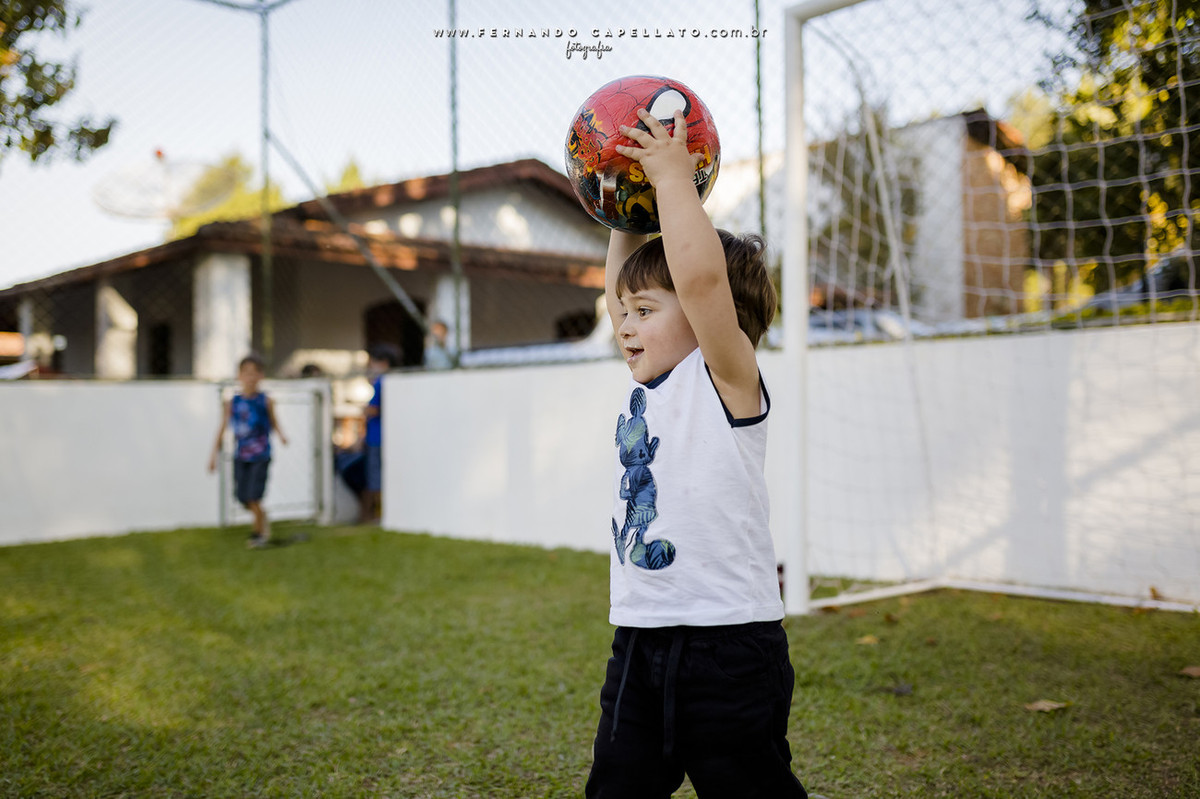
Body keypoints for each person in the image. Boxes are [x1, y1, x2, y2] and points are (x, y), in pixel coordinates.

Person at [584, 107, 808, 797]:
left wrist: (674, 179)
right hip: (640, 642)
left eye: (645, 312)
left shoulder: (727, 379)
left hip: (729, 648)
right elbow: (619, 287)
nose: (625, 325)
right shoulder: (648, 385)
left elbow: (703, 281)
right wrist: (627, 205)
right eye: (626, 314)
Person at [208, 354, 288, 548]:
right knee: (243, 497)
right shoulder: (232, 403)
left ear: (261, 376)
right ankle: (261, 517)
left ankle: (259, 534)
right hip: (241, 455)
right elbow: (222, 427)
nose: (250, 378)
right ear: (239, 376)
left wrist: (281, 435)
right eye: (246, 373)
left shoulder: (266, 401)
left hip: (261, 455)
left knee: (254, 496)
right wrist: (213, 455)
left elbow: (274, 421)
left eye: (255, 373)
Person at [361, 342, 400, 523]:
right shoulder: (392, 381)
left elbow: (373, 409)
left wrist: (364, 409)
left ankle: (379, 515)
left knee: (376, 477)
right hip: (386, 437)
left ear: (383, 362)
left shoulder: (381, 383)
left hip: (376, 438)